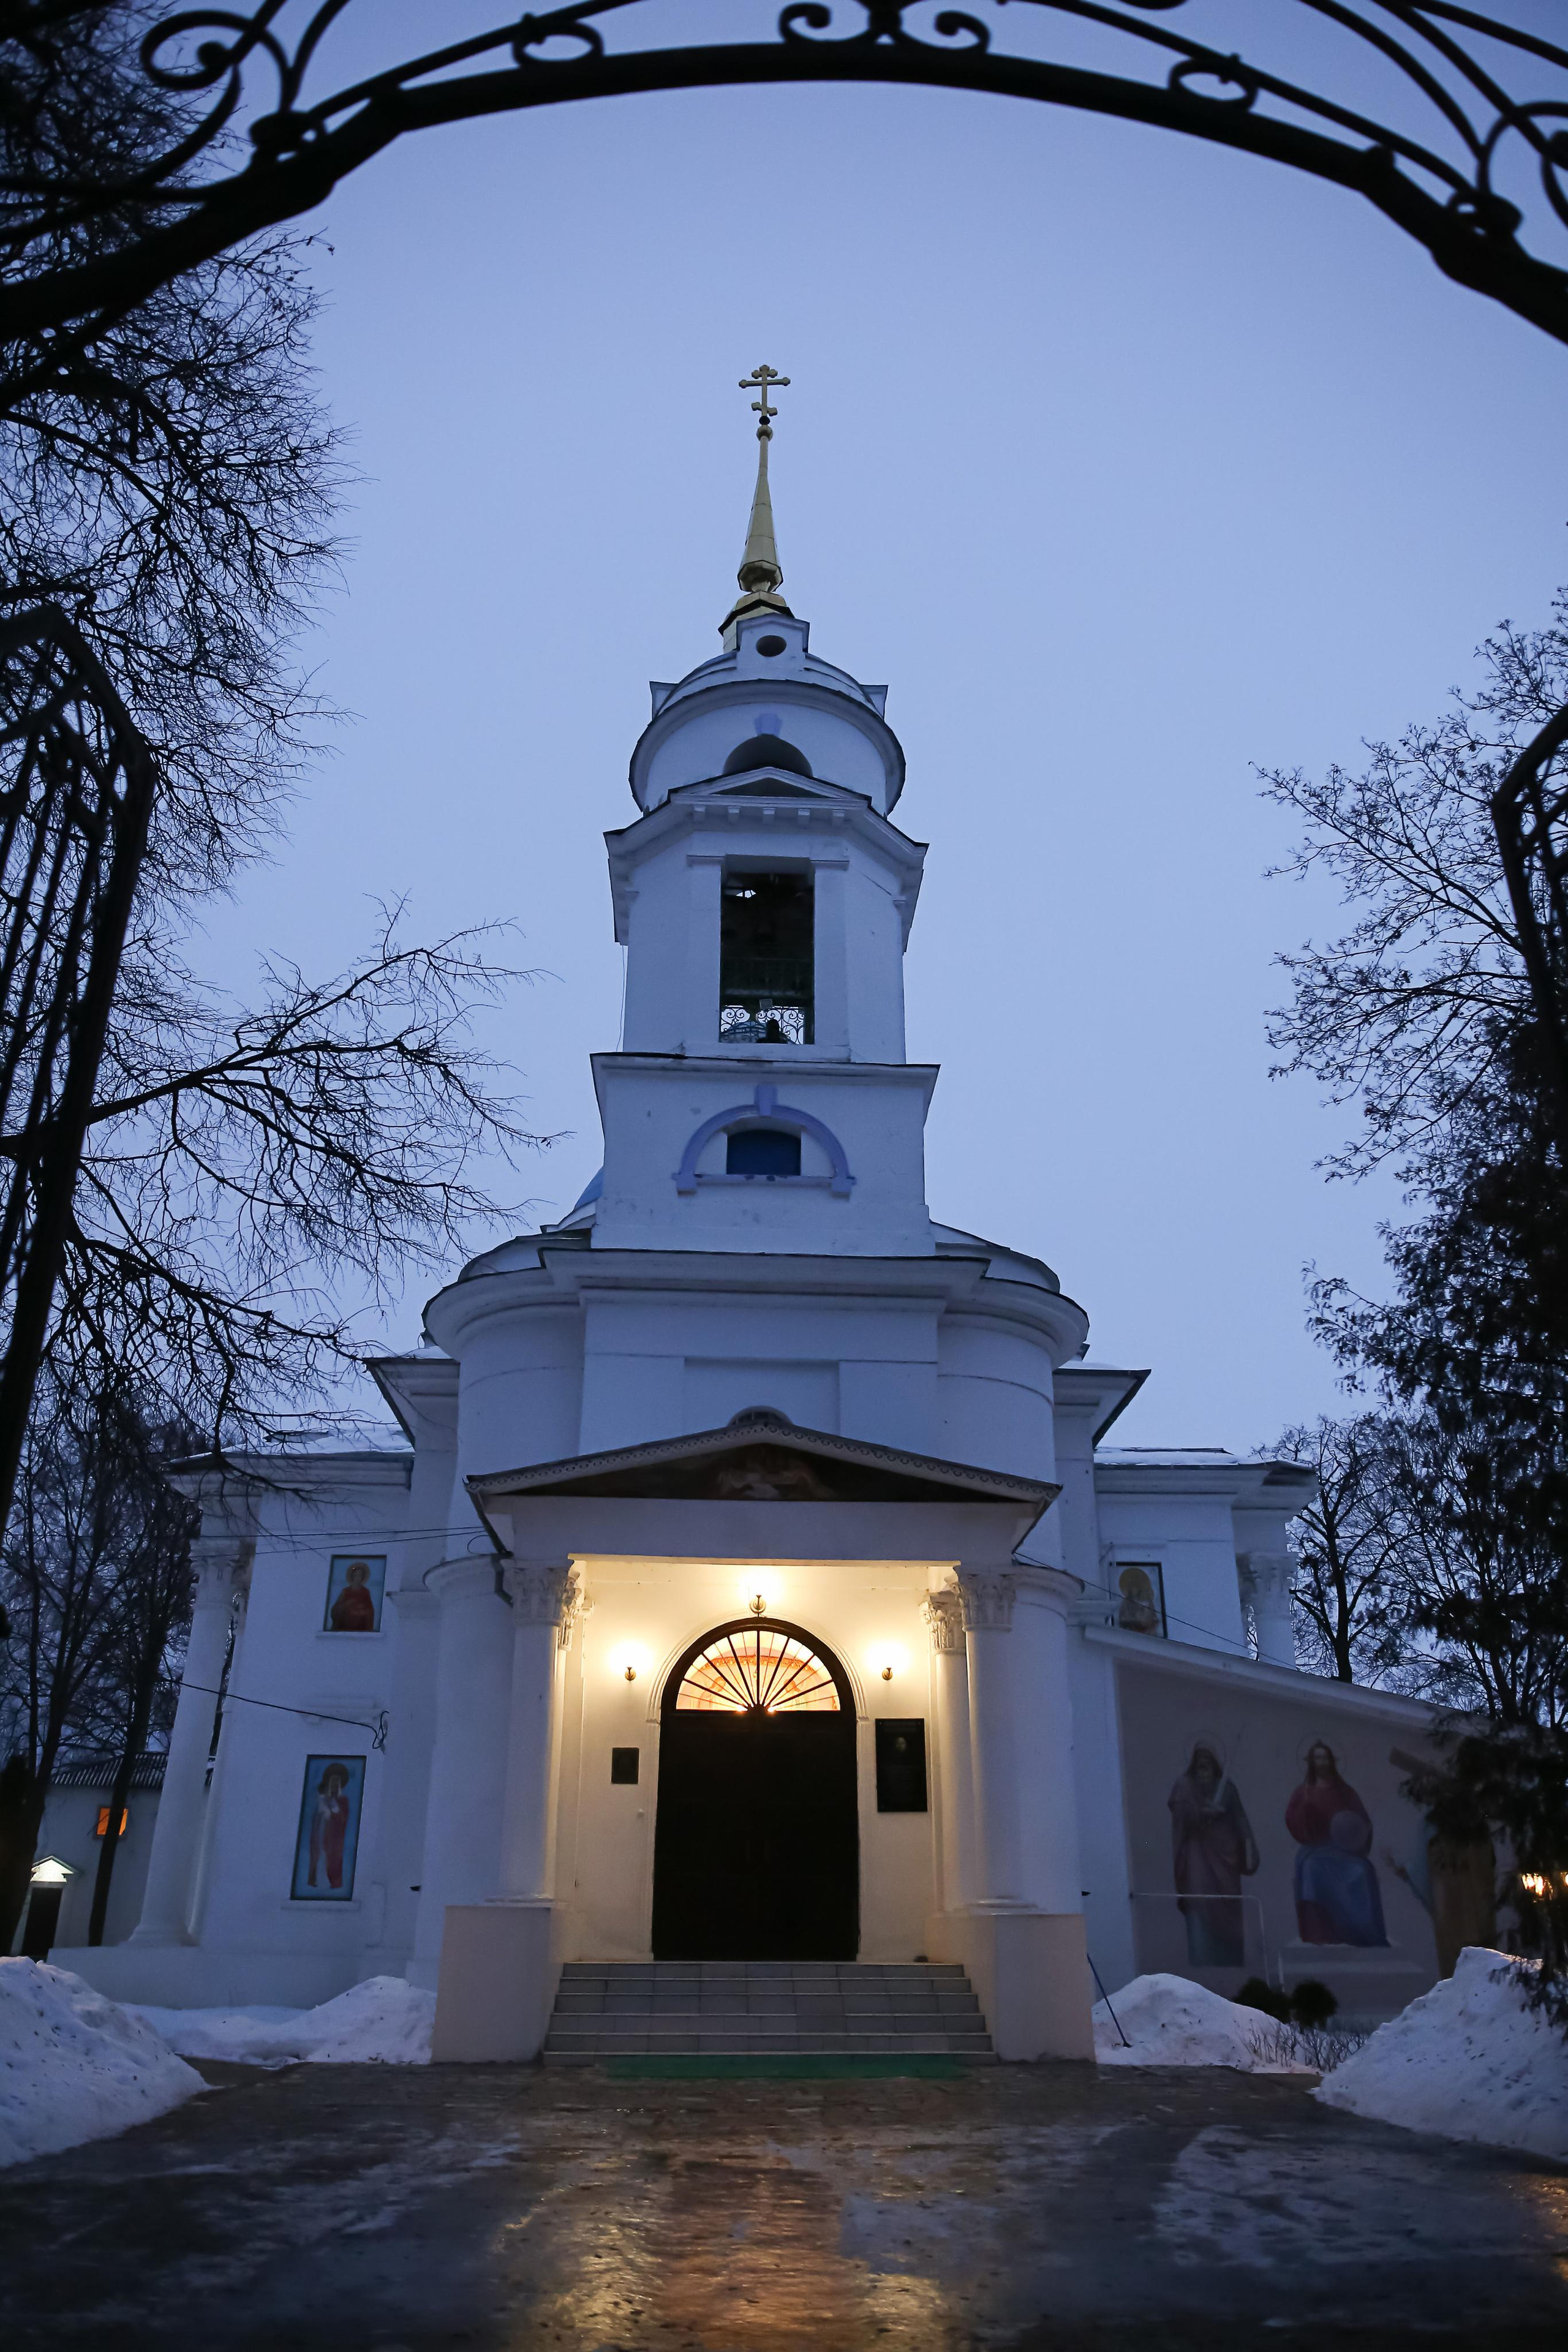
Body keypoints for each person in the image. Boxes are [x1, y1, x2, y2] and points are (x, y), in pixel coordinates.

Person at [1286, 1741, 1388, 1946]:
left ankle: (1362, 1933)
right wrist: (1305, 1814)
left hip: (1343, 1851)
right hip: (1315, 1850)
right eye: (1318, 1758)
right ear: (1311, 1763)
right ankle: (1320, 1934)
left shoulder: (1346, 1792)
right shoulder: (1303, 1792)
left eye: (1325, 1758)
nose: (1321, 1763)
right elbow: (1292, 1819)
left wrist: (1353, 1837)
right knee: (1310, 1870)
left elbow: (1362, 1823)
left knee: (1364, 1870)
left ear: (1331, 1762)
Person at [1169, 1741, 1259, 1967]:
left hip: (1226, 1855)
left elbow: (1240, 1818)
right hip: (1197, 1852)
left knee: (1228, 1904)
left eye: (1208, 1763)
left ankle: (1231, 1960)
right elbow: (1180, 1812)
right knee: (1199, 1899)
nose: (1204, 1767)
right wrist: (1202, 1813)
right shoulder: (1184, 1785)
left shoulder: (1227, 1788)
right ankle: (1202, 1958)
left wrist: (1250, 1847)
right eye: (1200, 1763)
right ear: (1194, 1765)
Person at [307, 1763, 353, 1893]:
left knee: (332, 1858)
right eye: (331, 1782)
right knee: (319, 1855)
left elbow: (342, 1818)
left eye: (336, 1783)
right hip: (322, 1832)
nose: (333, 1786)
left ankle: (333, 1882)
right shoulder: (324, 1798)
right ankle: (315, 1880)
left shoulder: (343, 1800)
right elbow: (318, 1816)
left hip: (334, 1836)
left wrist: (333, 1810)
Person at [329, 1558, 377, 1632]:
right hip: (345, 1625)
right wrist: (347, 1605)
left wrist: (363, 1611)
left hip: (360, 1625)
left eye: (360, 1576)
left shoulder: (365, 1592)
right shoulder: (345, 1591)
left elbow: (370, 1610)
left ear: (363, 1577)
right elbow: (335, 1610)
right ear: (352, 1576)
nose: (358, 1578)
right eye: (356, 1576)